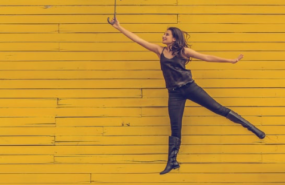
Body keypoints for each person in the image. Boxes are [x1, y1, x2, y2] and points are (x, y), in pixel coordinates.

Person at [109, 18, 265, 175]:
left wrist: (230, 60)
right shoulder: (159, 50)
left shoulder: (183, 51)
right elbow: (138, 40)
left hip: (190, 87)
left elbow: (206, 57)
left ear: (174, 38)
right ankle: (172, 162)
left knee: (218, 108)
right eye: (164, 34)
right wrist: (119, 27)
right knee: (175, 126)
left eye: (167, 34)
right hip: (174, 93)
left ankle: (252, 128)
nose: (163, 36)